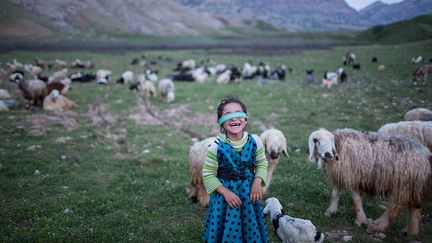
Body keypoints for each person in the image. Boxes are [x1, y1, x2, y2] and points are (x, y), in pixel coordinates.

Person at [202, 96, 269, 243]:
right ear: (220, 121)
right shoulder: (215, 146)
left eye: (238, 113)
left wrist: (257, 182)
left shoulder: (255, 141)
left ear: (245, 119)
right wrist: (226, 193)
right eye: (228, 115)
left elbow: (262, 163)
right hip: (224, 196)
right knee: (227, 221)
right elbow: (208, 175)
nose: (234, 118)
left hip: (249, 190)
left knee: (248, 218)